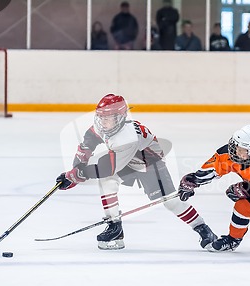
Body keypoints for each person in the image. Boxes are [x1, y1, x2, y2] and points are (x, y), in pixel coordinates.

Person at [56, 93, 217, 250]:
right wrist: (76, 169)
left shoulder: (127, 138)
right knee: (107, 182)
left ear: (119, 118)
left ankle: (202, 228)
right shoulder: (104, 126)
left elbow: (107, 168)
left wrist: (77, 176)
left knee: (170, 202)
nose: (102, 122)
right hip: (125, 161)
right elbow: (88, 142)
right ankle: (114, 228)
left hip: (149, 164)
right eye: (101, 117)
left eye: (107, 118)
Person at [178, 124, 250, 252]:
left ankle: (233, 240)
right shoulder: (230, 153)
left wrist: (247, 189)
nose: (236, 151)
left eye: (242, 149)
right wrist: (193, 180)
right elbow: (214, 168)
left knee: (243, 207)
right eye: (236, 145)